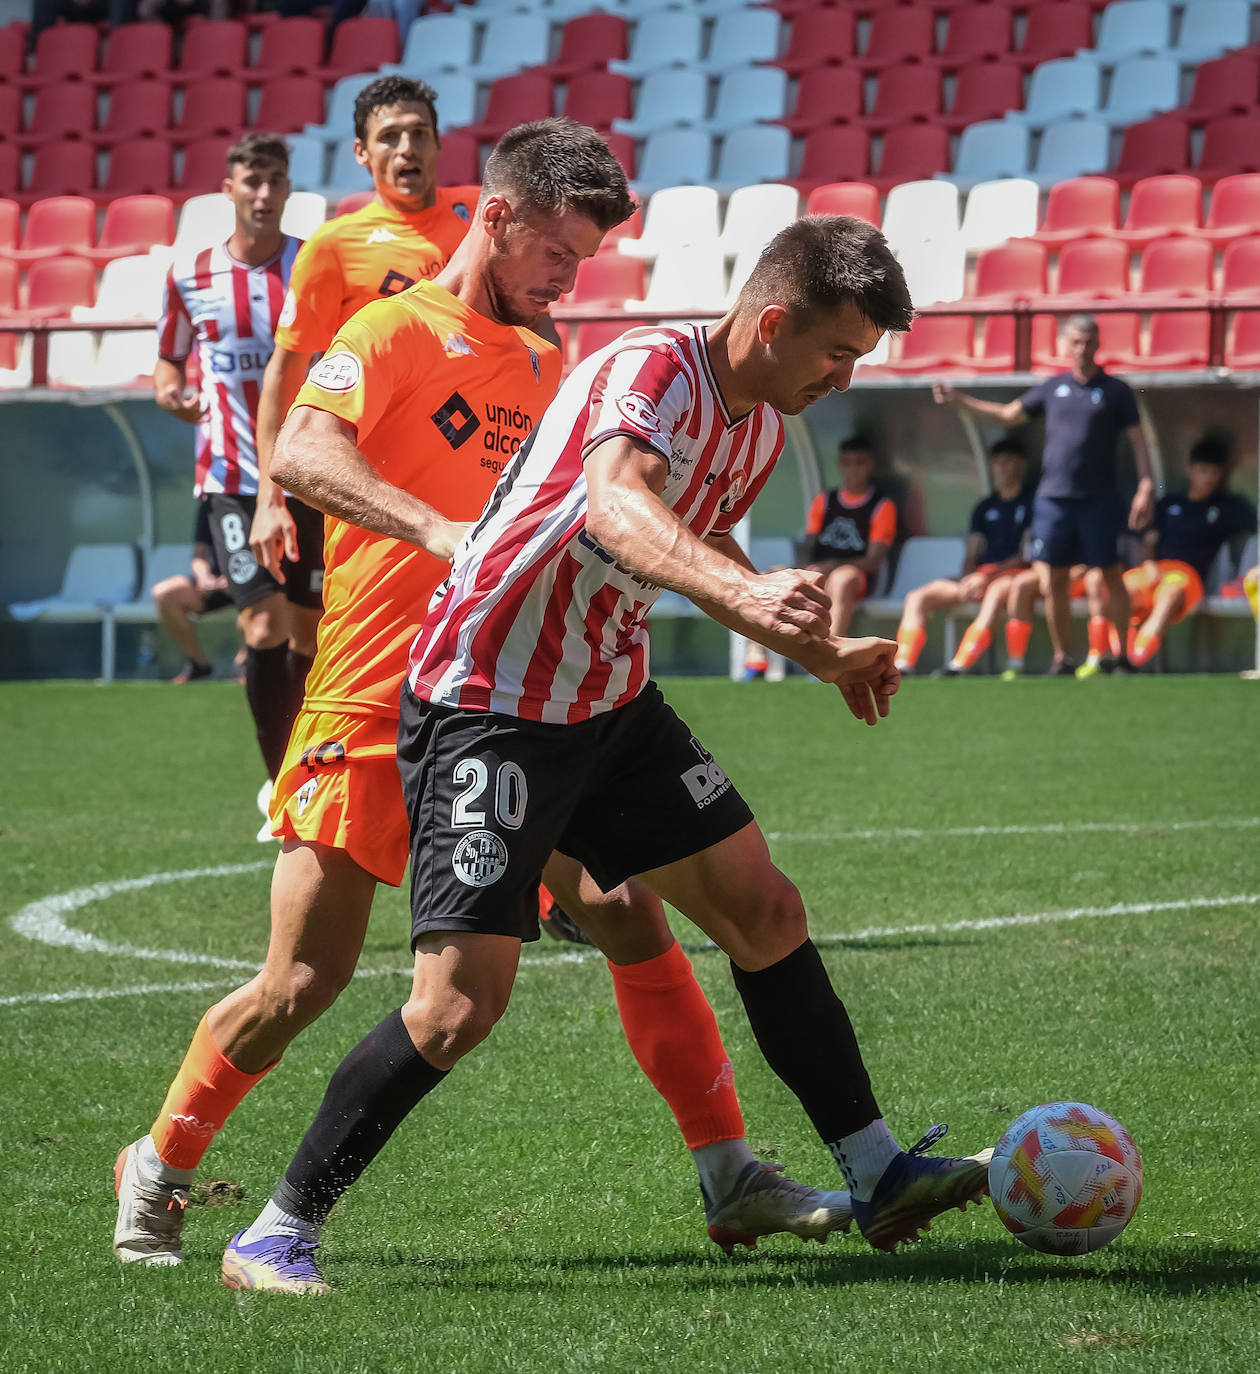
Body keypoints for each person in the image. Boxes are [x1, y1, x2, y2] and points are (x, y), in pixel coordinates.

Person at [114, 122, 854, 1278]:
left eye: (584, 260)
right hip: (370, 698)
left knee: (625, 910)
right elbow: (301, 456)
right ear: (497, 219)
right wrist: (438, 528)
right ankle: (160, 1162)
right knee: (301, 985)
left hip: (517, 701)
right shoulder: (394, 326)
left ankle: (730, 1170)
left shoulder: (563, 365)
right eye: (557, 252)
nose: (570, 279)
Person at [220, 212, 993, 1296]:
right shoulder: (651, 369)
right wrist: (749, 593)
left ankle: (878, 1172)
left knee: (764, 911)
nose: (842, 376)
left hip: (607, 699)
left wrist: (816, 651)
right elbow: (620, 508)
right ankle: (274, 1232)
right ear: (773, 322)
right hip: (490, 702)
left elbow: (704, 542)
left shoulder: (759, 424)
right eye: (836, 352)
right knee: (455, 1008)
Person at [248, 75, 482, 589]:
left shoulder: (482, 218)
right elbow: (284, 375)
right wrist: (270, 497)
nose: (407, 148)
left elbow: (534, 329)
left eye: (420, 133)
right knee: (326, 630)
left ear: (439, 143)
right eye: (390, 136)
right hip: (379, 480)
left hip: (479, 460)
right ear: (361, 151)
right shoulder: (334, 246)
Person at [155, 134, 323, 820]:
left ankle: (316, 768)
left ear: (287, 190)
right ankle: (282, 784)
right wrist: (172, 393)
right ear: (229, 189)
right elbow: (169, 363)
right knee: (261, 626)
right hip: (229, 475)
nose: (262, 193)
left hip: (311, 474)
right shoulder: (189, 274)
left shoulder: (314, 266)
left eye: (274, 180)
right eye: (250, 180)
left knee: (310, 633)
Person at [934, 314, 1154, 677]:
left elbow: (1139, 441)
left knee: (1110, 574)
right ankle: (1064, 657)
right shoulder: (1052, 388)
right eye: (1076, 342)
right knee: (1054, 578)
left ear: (1099, 344)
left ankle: (1123, 656)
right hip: (1054, 499)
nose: (1083, 349)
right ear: (1066, 345)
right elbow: (1007, 416)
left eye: (1089, 342)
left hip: (1098, 499)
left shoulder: (1117, 391)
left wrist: (1146, 484)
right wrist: (960, 401)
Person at [893, 438, 1032, 675]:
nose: (1001, 468)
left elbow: (1024, 556)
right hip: (980, 577)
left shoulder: (1032, 505)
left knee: (996, 594)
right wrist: (969, 577)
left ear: (1021, 466)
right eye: (997, 462)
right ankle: (903, 663)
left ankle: (960, 664)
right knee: (918, 596)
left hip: (1011, 577)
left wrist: (986, 578)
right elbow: (972, 550)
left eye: (1008, 462)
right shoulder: (984, 507)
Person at [1126, 437, 1257, 668]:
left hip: (1187, 577)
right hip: (1156, 570)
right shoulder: (1168, 504)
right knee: (1122, 590)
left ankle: (1136, 657)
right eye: (1203, 470)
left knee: (1170, 592)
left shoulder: (1227, 507)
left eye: (1214, 472)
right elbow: (1149, 541)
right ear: (1190, 471)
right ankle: (1111, 655)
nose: (1209, 478)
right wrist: (1149, 564)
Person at [150, 500, 235, 684]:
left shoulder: (260, 498)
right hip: (217, 584)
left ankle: (247, 664)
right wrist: (205, 578)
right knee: (164, 594)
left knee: (260, 601)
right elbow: (199, 556)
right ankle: (197, 663)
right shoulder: (210, 504)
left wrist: (239, 579)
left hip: (255, 582)